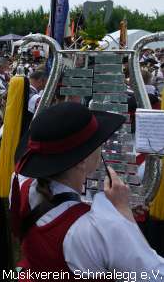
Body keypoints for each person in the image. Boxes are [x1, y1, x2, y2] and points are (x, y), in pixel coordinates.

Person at [11, 102, 164, 277]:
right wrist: (123, 214)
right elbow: (155, 275)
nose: (102, 148)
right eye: (98, 143)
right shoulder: (98, 227)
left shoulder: (21, 184)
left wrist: (117, 215)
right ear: (82, 160)